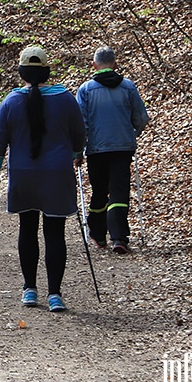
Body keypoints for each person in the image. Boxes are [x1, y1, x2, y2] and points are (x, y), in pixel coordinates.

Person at [0, 46, 86, 312]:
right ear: (46, 71)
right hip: (56, 175)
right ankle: (55, 294)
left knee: (27, 229)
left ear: (21, 72)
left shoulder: (11, 101)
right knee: (55, 233)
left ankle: (29, 289)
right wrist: (77, 154)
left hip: (23, 176)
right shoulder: (66, 99)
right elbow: (79, 134)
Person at [76, 46, 149, 254]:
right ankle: (119, 238)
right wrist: (132, 133)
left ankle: (98, 234)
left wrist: (78, 151)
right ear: (115, 65)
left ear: (94, 65)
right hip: (122, 148)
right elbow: (142, 118)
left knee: (99, 191)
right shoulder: (128, 87)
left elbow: (81, 124)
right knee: (118, 191)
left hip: (96, 150)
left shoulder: (86, 90)